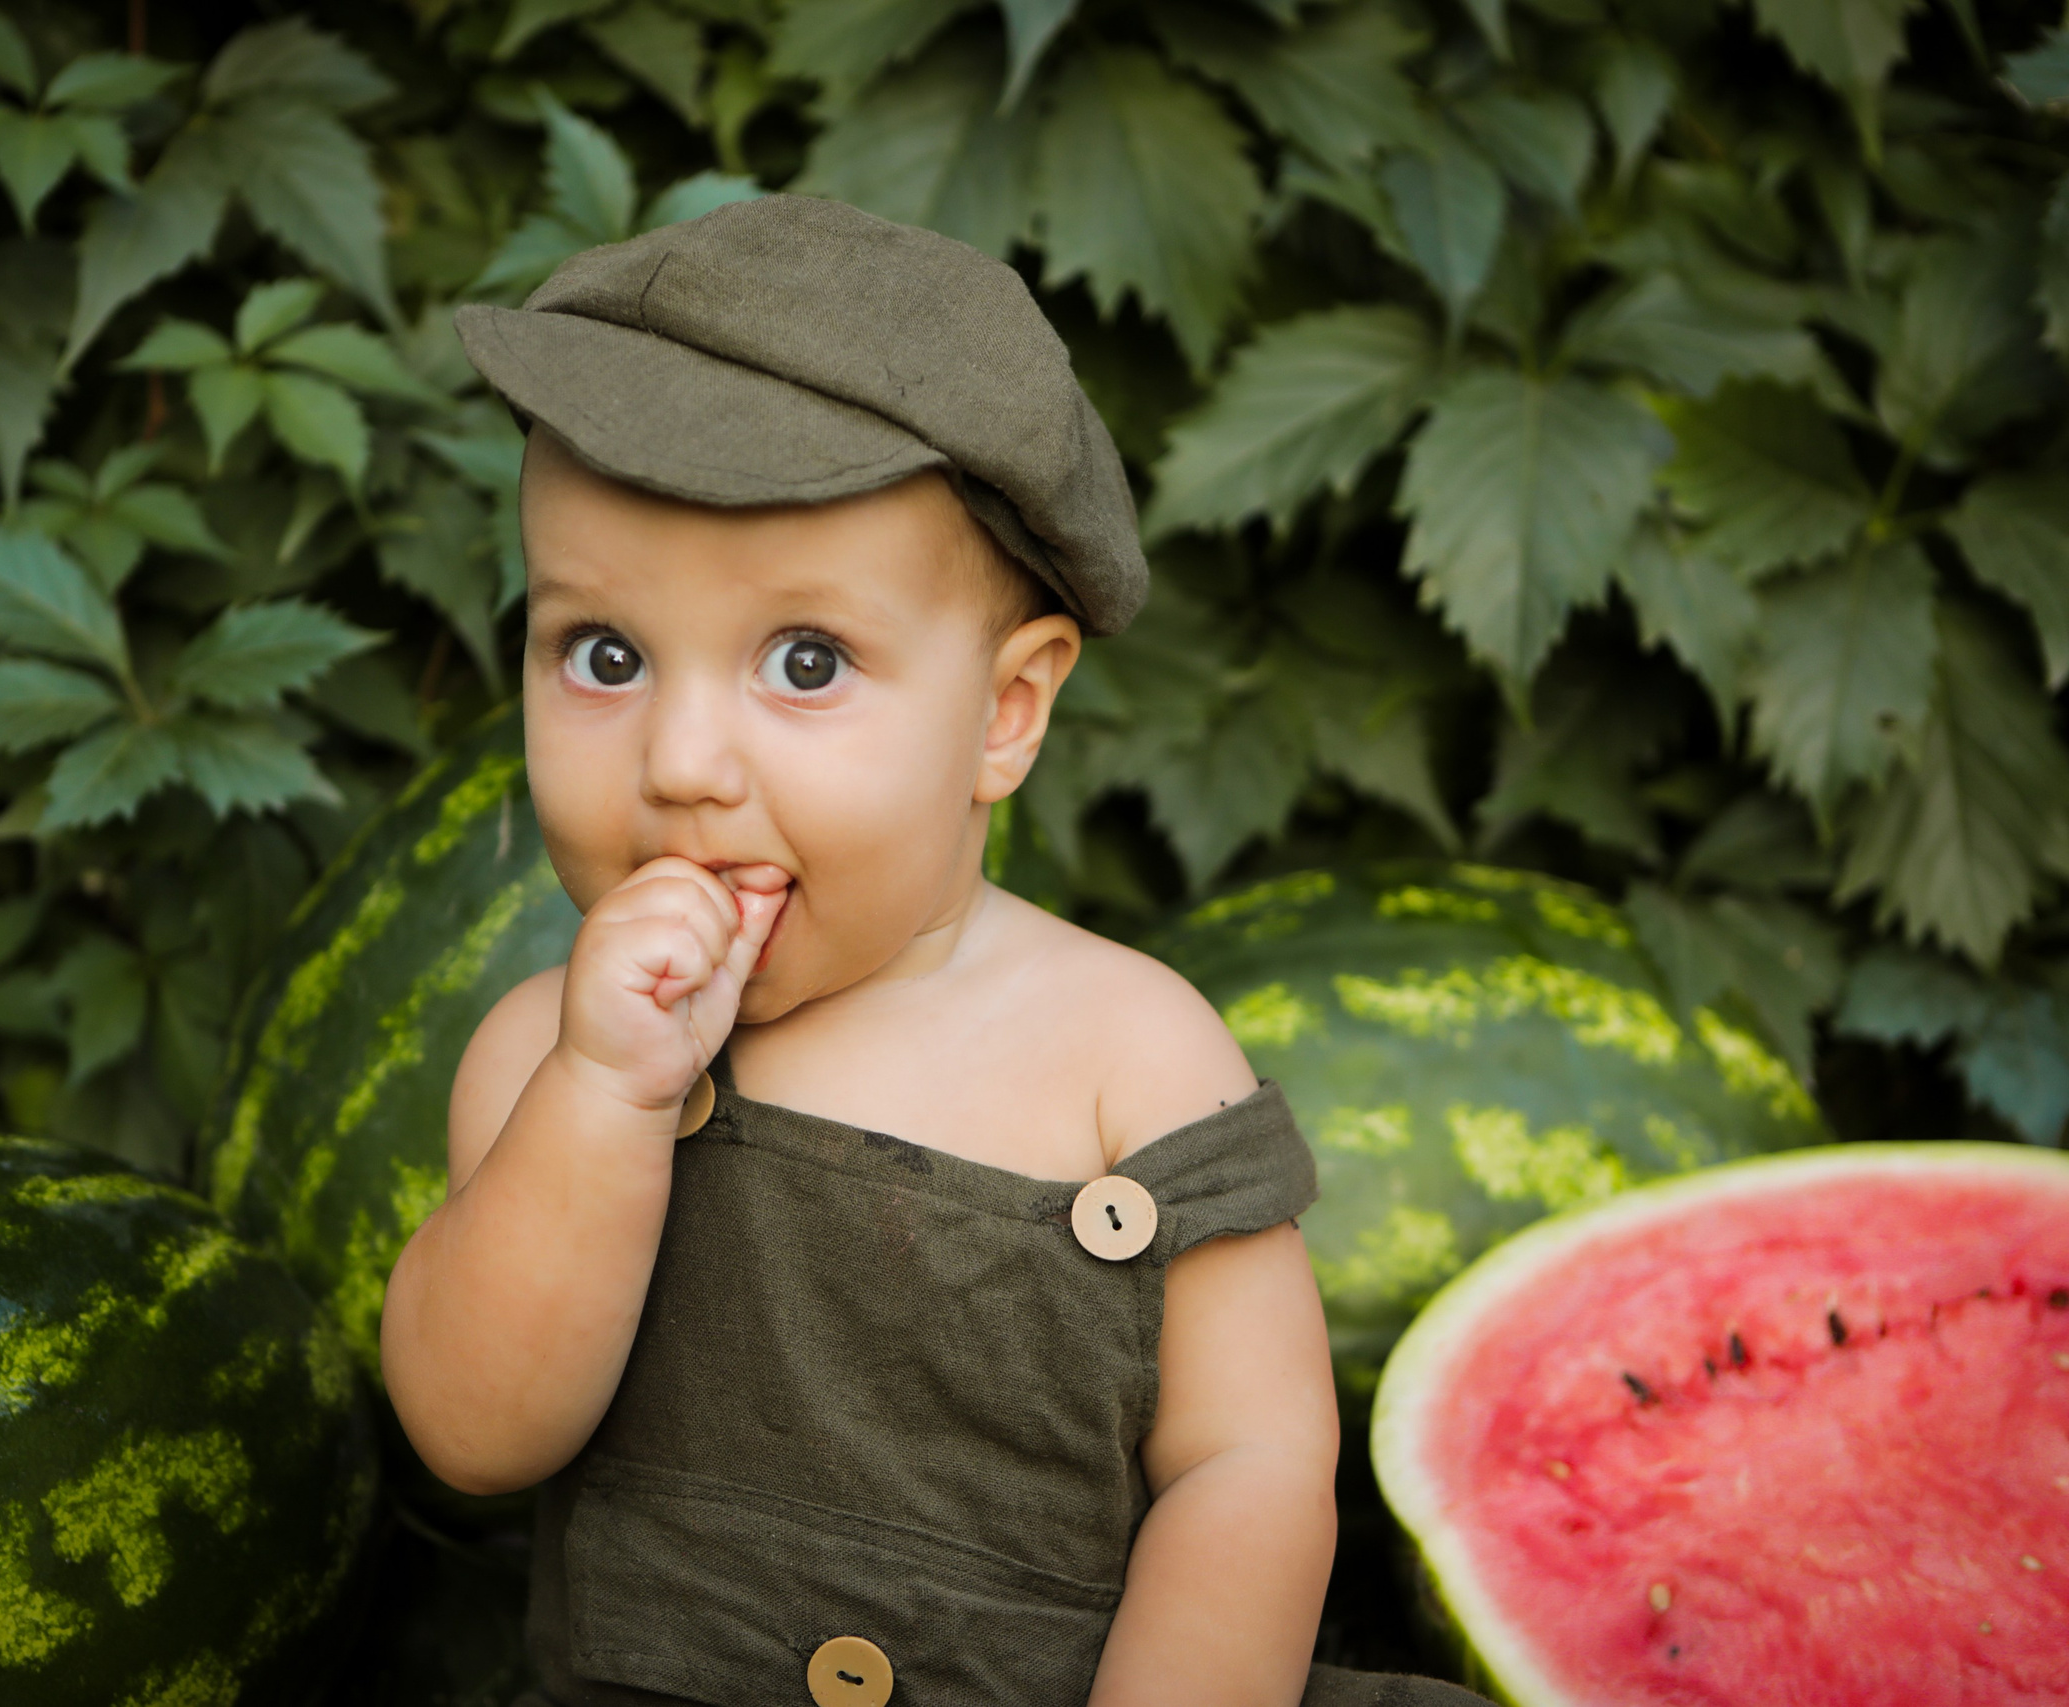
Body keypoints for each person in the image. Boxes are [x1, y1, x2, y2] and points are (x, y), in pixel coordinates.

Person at [380, 195, 1487, 1707]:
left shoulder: (1129, 1052)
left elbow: (1250, 1463)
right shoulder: (546, 1063)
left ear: (1006, 713)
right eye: (605, 654)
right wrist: (606, 1096)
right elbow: (475, 1435)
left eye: (806, 662)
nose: (681, 761)